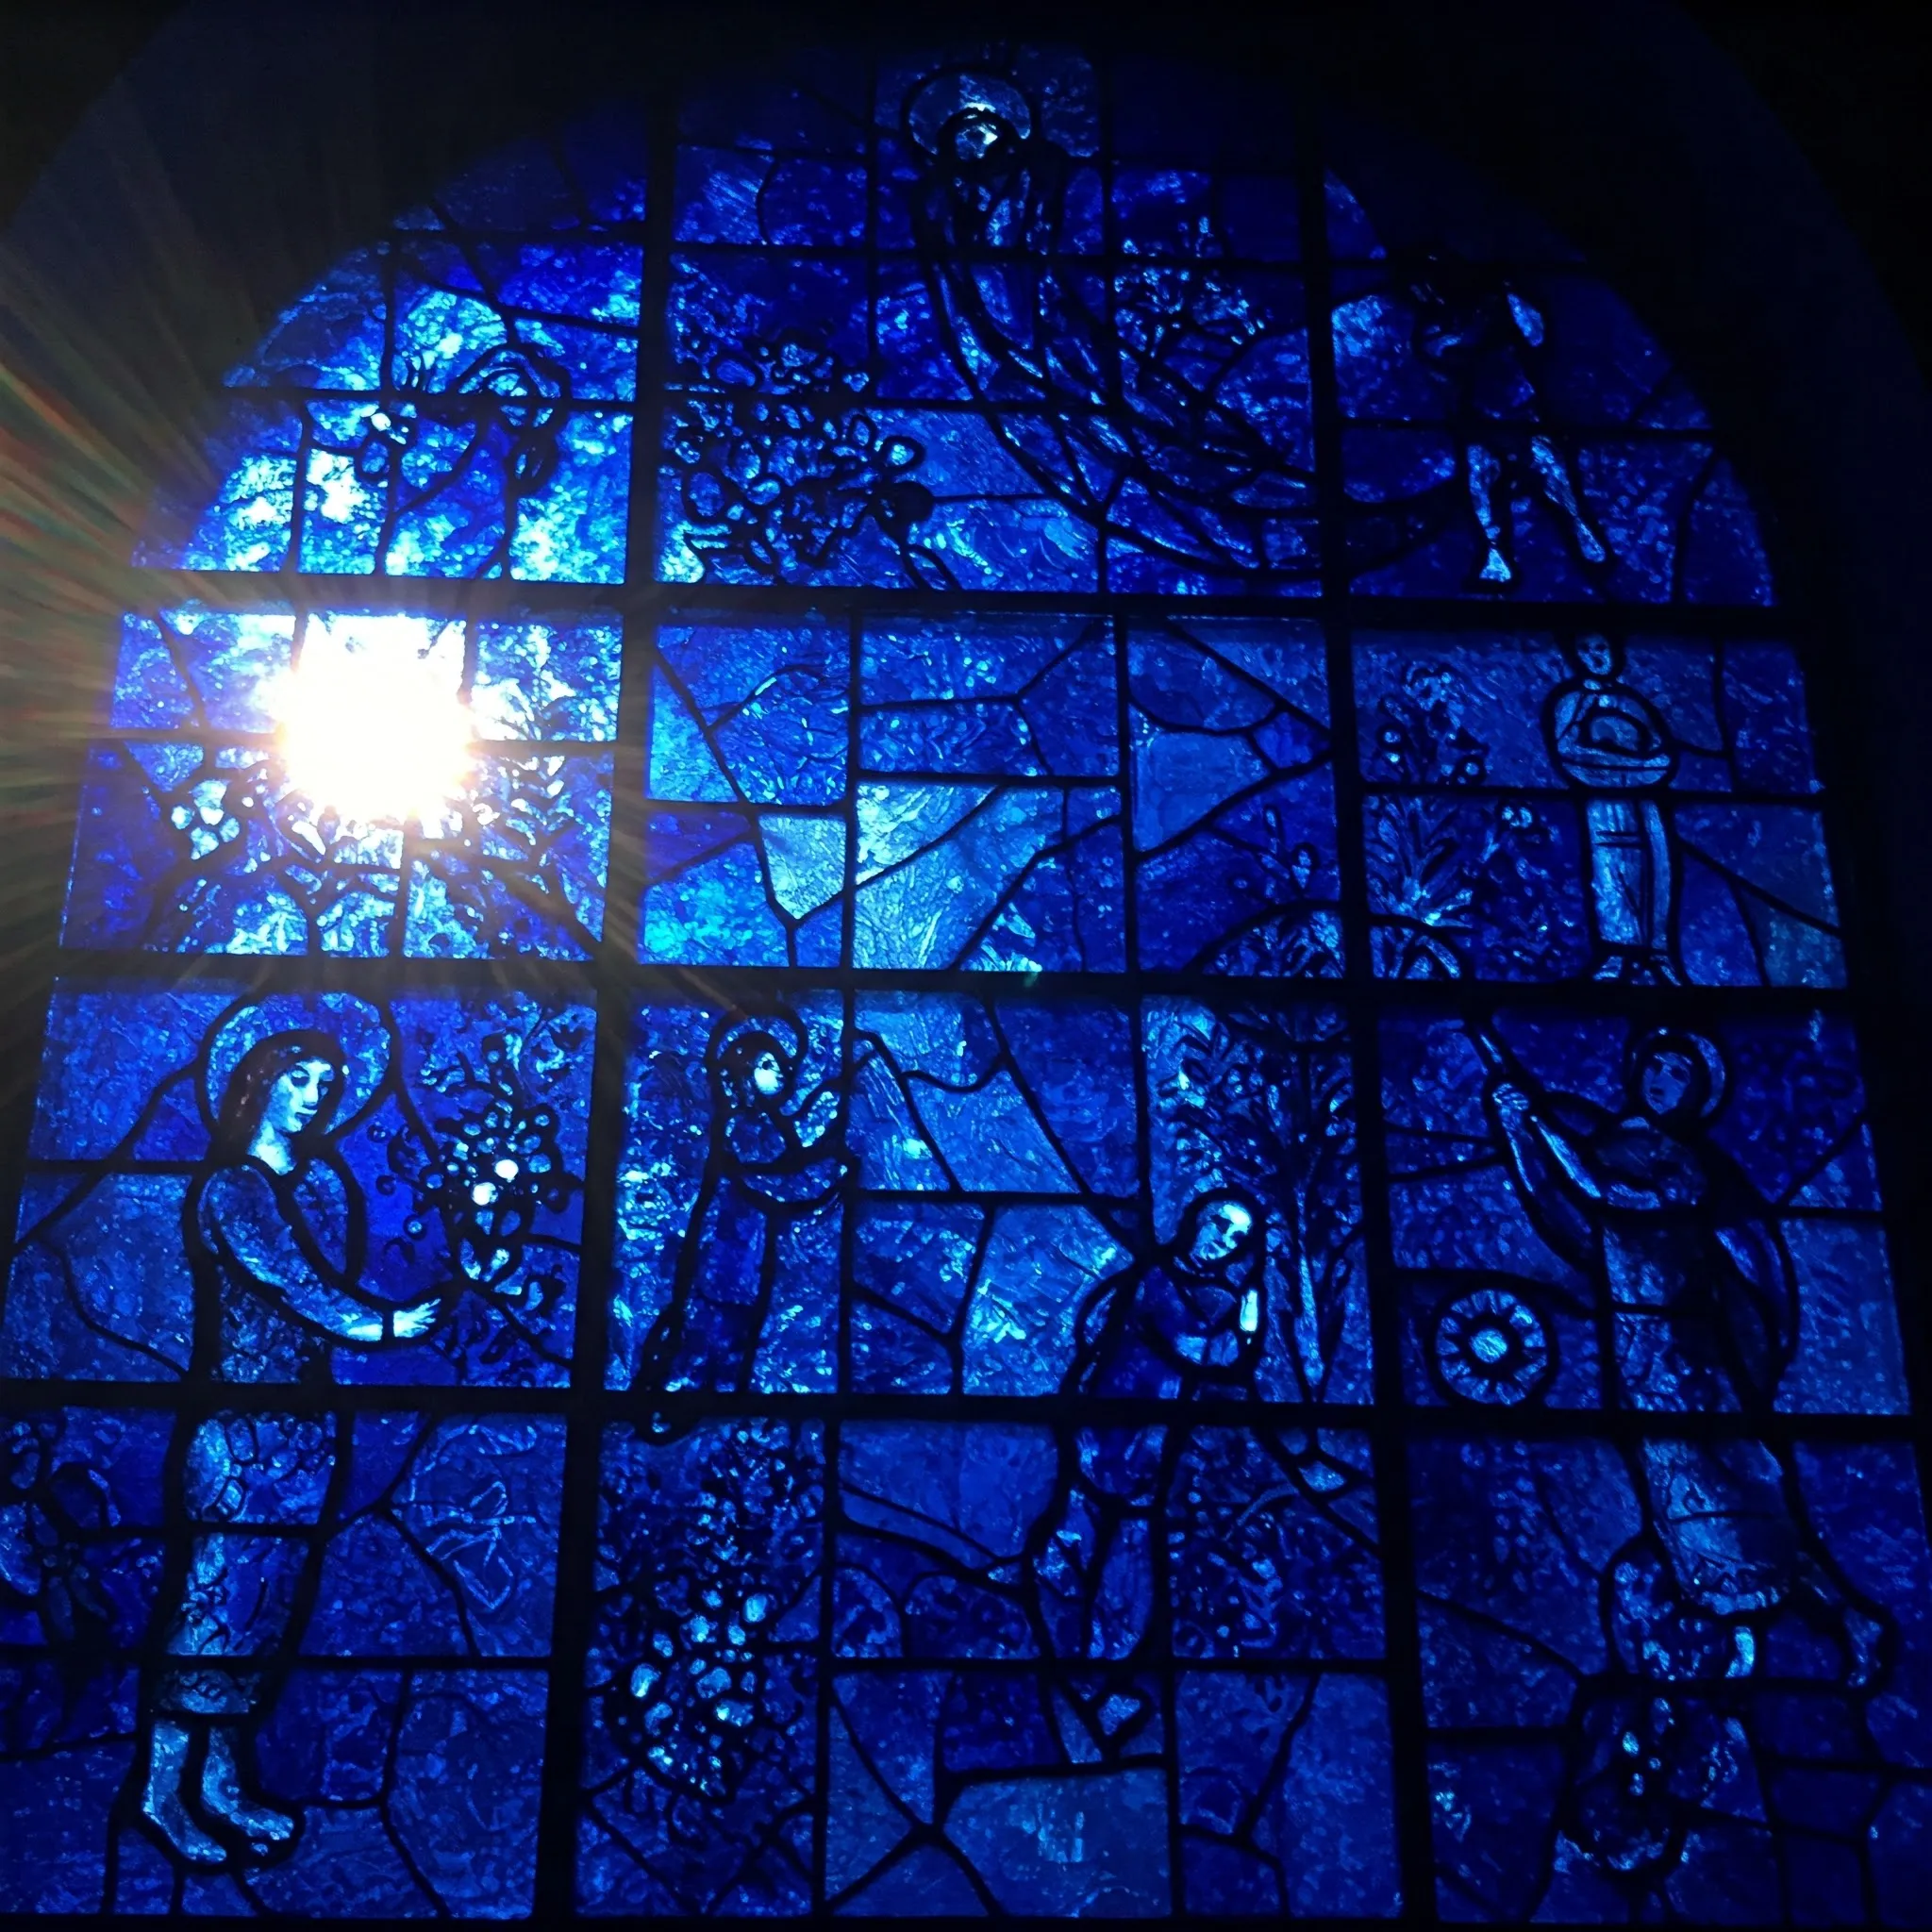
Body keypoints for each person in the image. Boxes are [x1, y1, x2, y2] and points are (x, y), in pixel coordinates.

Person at [1472, 1021, 1885, 1685]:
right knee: (1675, 1488)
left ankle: (1818, 1620)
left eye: (1679, 1076)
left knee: (1730, 1481)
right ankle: (1733, 1635)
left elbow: (1610, 1193)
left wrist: (1543, 1124)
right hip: (1636, 1348)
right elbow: (1568, 1215)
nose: (1662, 1082)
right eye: (1658, 1067)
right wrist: (1518, 1129)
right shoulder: (1610, 1146)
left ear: (1697, 1096)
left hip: (1689, 1350)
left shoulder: (1681, 1163)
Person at [140, 1029, 439, 1869]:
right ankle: (162, 1790)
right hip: (242, 1433)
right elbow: (291, 1284)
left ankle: (221, 1783)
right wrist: (385, 1325)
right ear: (257, 1082)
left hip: (301, 1434)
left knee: (263, 1612)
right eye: (298, 1078)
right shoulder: (232, 1189)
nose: (315, 1095)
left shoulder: (314, 1185)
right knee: (212, 1606)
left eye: (328, 1082)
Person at [635, 1011, 846, 1393]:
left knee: (741, 1344)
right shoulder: (738, 1127)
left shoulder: (771, 1124)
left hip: (752, 1261)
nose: (779, 1075)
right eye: (766, 1066)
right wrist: (825, 1178)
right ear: (740, 1076)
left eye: (779, 1066)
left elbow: (785, 1174)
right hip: (724, 1261)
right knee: (713, 1344)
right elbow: (765, 1181)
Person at [1397, 251, 1614, 591]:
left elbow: (1535, 335)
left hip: (1523, 410)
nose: (1425, 290)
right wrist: (1482, 319)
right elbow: (1443, 351)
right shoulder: (1435, 330)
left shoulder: (1494, 304)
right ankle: (1496, 556)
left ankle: (1582, 531)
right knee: (1481, 488)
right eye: (1416, 285)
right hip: (1479, 420)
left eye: (1429, 279)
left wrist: (1509, 294)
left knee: (1555, 477)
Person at [1545, 634, 1681, 983]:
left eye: (1601, 647)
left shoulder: (1633, 703)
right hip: (1605, 805)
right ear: (1576, 656)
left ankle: (1657, 952)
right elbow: (1569, 754)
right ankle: (1617, 953)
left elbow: (1663, 756)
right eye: (1586, 649)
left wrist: (1633, 769)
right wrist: (1632, 768)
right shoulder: (1571, 703)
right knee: (1613, 871)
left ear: (1614, 651)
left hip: (1645, 804)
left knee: (1656, 871)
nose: (1595, 656)